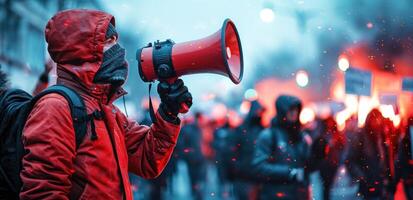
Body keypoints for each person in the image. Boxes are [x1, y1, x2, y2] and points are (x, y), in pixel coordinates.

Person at [19, 9, 192, 200]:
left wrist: (168, 113)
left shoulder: (107, 110)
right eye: (108, 42)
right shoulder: (55, 108)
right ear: (82, 52)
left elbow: (147, 159)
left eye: (115, 41)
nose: (117, 49)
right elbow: (43, 193)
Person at [252, 95, 312, 200]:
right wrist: (289, 172)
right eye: (291, 109)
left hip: (299, 194)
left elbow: (307, 166)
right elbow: (259, 167)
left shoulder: (301, 136)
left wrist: (318, 155)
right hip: (275, 194)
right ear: (282, 111)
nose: (294, 113)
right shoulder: (269, 135)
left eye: (296, 109)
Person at [347, 109, 395, 200]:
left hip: (383, 187)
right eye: (374, 119)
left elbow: (387, 160)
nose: (377, 122)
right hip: (368, 187)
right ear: (369, 120)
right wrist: (362, 177)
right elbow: (350, 160)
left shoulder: (383, 135)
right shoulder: (361, 136)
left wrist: (391, 181)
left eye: (378, 119)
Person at [310, 116, 346, 200]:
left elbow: (341, 147)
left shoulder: (336, 135)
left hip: (332, 163)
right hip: (324, 164)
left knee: (328, 186)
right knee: (325, 186)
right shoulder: (322, 134)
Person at [177, 112, 206, 200]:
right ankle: (196, 193)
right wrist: (187, 155)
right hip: (192, 160)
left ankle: (198, 193)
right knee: (194, 178)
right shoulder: (187, 129)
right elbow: (180, 145)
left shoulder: (201, 129)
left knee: (200, 178)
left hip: (201, 159)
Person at [395, 116, 413, 199]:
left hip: (408, 177)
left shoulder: (404, 139)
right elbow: (401, 159)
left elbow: (400, 160)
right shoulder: (405, 139)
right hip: (409, 177)